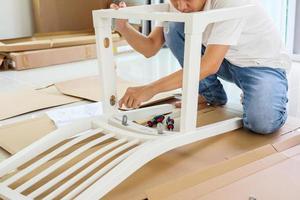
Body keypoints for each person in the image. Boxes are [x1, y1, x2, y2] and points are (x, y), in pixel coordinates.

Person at [110, 0, 290, 134]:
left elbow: (209, 65)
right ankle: (210, 93)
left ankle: (272, 96)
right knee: (174, 27)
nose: (181, 6)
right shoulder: (180, 3)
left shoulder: (231, 2)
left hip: (260, 65)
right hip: (224, 60)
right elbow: (150, 47)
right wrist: (123, 27)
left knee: (262, 123)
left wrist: (151, 89)